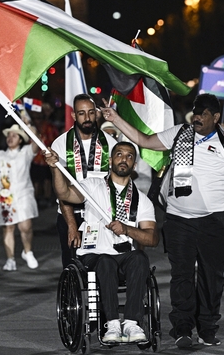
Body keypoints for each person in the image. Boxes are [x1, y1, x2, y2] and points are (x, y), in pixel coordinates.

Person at [101, 93, 224, 348]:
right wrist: (115, 118)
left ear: (215, 117)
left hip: (213, 222)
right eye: (196, 112)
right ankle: (182, 329)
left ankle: (207, 329)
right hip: (179, 220)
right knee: (181, 276)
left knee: (212, 279)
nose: (197, 117)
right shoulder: (179, 133)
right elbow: (144, 141)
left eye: (203, 114)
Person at [45, 142, 158, 343]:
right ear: (110, 160)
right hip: (93, 256)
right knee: (105, 262)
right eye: (119, 154)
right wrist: (55, 168)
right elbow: (64, 194)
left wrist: (127, 229)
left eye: (129, 156)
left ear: (134, 165)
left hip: (123, 256)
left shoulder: (142, 200)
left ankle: (131, 323)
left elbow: (152, 238)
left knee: (140, 258)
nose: (124, 159)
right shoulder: (92, 186)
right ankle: (112, 324)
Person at [51, 94, 117, 268]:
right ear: (74, 115)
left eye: (91, 112)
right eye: (81, 113)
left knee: (103, 265)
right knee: (72, 266)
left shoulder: (110, 143)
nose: (87, 118)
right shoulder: (60, 144)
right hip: (71, 214)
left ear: (96, 113)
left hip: (101, 215)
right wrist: (72, 225)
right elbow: (62, 190)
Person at [0, 123, 40, 271]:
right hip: (5, 196)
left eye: (14, 136)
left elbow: (37, 141)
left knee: (25, 226)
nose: (10, 138)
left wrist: (28, 124)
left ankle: (27, 252)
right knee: (8, 228)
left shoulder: (26, 152)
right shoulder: (0, 154)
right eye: (9, 135)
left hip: (24, 193)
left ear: (20, 140)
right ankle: (10, 259)